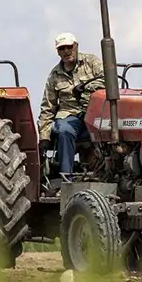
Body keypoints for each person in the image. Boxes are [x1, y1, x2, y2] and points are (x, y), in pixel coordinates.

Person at [37, 32, 105, 175]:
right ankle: (66, 178)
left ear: (76, 46)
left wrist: (86, 87)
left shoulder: (92, 62)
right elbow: (47, 107)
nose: (66, 51)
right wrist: (44, 137)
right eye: (62, 49)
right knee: (64, 130)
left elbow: (108, 81)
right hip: (70, 116)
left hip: (95, 112)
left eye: (69, 47)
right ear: (58, 52)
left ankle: (109, 172)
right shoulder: (54, 75)